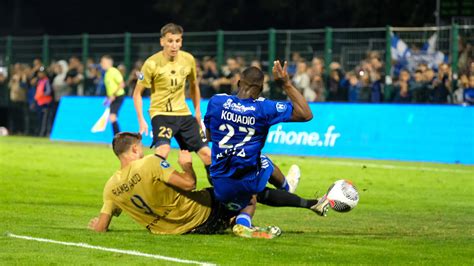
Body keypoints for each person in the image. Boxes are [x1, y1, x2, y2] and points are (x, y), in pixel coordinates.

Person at [88, 132, 324, 238]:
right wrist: (186, 165)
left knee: (230, 204)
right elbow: (189, 184)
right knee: (250, 193)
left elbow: (101, 227)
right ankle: (308, 203)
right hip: (201, 215)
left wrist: (96, 225)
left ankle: (236, 221)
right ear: (135, 149)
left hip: (173, 232)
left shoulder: (110, 187)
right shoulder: (150, 163)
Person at [203, 61, 330, 236]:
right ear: (261, 88)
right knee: (262, 163)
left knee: (251, 197)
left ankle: (243, 223)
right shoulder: (264, 108)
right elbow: (306, 114)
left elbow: (209, 137)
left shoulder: (216, 102)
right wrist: (285, 83)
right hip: (245, 181)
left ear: (239, 83)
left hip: (219, 179)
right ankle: (287, 187)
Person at [133, 23, 212, 184]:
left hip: (183, 114)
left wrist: (197, 110)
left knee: (207, 154)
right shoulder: (151, 63)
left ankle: (221, 192)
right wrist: (141, 119)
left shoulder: (188, 59)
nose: (174, 45)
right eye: (170, 41)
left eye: (177, 41)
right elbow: (137, 94)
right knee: (163, 151)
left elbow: (194, 86)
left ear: (181, 41)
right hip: (161, 114)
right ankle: (150, 186)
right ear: (162, 41)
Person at [101, 55, 125, 136]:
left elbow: (122, 84)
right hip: (113, 98)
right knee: (112, 118)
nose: (101, 64)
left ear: (108, 63)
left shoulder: (114, 71)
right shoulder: (106, 73)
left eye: (103, 62)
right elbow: (110, 88)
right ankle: (118, 139)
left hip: (118, 97)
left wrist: (113, 95)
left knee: (112, 117)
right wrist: (107, 98)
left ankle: (119, 139)